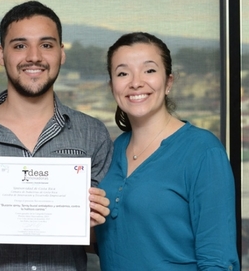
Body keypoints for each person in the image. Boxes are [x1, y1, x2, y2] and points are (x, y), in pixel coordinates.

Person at [0, 0, 113, 271]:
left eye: (46, 45)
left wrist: (92, 224)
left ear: (61, 53)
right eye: (20, 45)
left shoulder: (93, 134)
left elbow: (100, 242)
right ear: (2, 54)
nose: (34, 56)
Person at [95, 32, 240, 270]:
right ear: (113, 87)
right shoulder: (111, 151)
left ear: (169, 82)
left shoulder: (203, 151)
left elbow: (218, 259)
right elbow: (115, 240)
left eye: (149, 70)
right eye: (123, 73)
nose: (136, 82)